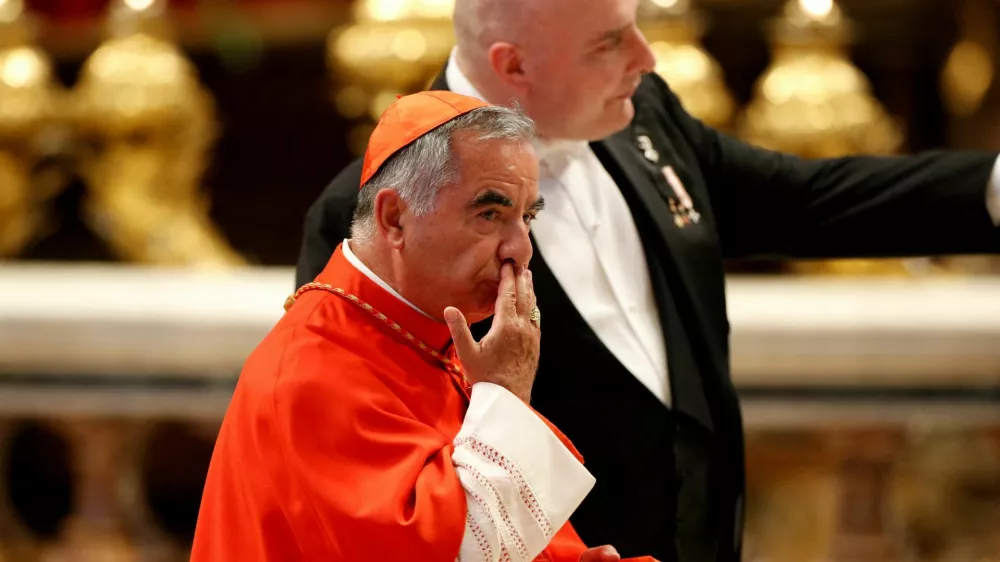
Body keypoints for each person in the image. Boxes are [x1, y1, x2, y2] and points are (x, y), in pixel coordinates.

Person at [295, 0, 1000, 560]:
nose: (646, 58)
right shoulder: (372, 216)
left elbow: (807, 201)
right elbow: (373, 500)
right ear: (514, 66)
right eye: (609, 42)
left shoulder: (641, 114)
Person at [191, 91, 658, 562]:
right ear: (394, 218)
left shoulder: (430, 337)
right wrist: (507, 395)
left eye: (526, 217)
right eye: (490, 214)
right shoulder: (311, 370)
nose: (520, 249)